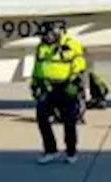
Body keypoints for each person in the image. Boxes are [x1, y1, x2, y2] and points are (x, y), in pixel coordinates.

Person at [31, 21, 87, 163]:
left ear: (55, 33)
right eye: (42, 36)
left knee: (69, 122)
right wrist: (35, 84)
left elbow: (79, 63)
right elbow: (37, 67)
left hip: (66, 87)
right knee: (42, 118)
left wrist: (74, 81)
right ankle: (50, 150)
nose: (43, 38)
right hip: (47, 87)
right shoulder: (41, 47)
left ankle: (71, 152)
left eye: (46, 35)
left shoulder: (70, 44)